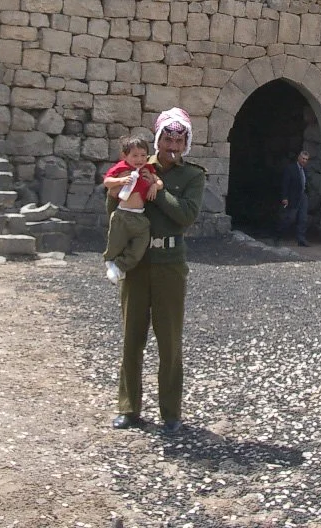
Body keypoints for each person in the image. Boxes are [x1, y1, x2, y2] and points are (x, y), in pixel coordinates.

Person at [112, 108, 206, 435]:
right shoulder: (139, 165)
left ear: (186, 143)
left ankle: (171, 413)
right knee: (131, 338)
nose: (173, 145)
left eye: (179, 139)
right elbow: (115, 207)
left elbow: (185, 215)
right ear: (158, 138)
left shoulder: (193, 175)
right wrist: (125, 187)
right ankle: (128, 408)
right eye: (168, 137)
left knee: (169, 342)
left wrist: (159, 190)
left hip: (170, 264)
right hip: (137, 262)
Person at [102, 136, 163, 283]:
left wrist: (155, 186)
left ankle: (120, 266)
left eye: (143, 155)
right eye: (135, 155)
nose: (139, 159)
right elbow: (107, 182)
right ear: (125, 156)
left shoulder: (147, 170)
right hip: (122, 214)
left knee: (140, 246)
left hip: (139, 217)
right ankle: (110, 261)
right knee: (115, 243)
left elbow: (159, 181)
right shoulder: (121, 168)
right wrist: (120, 181)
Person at [275, 150, 311, 247]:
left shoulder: (305, 170)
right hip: (292, 197)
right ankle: (279, 236)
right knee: (289, 218)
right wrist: (285, 197)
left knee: (303, 219)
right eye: (303, 158)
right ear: (299, 158)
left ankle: (301, 239)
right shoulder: (290, 168)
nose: (304, 161)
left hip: (302, 196)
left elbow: (306, 183)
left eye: (306, 159)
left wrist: (307, 193)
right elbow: (285, 184)